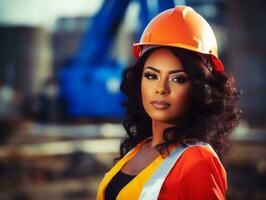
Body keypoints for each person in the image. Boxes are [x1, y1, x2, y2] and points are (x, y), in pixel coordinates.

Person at [96, 5, 241, 200]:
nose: (161, 88)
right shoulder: (139, 148)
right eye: (151, 75)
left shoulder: (198, 162)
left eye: (178, 79)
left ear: (199, 89)